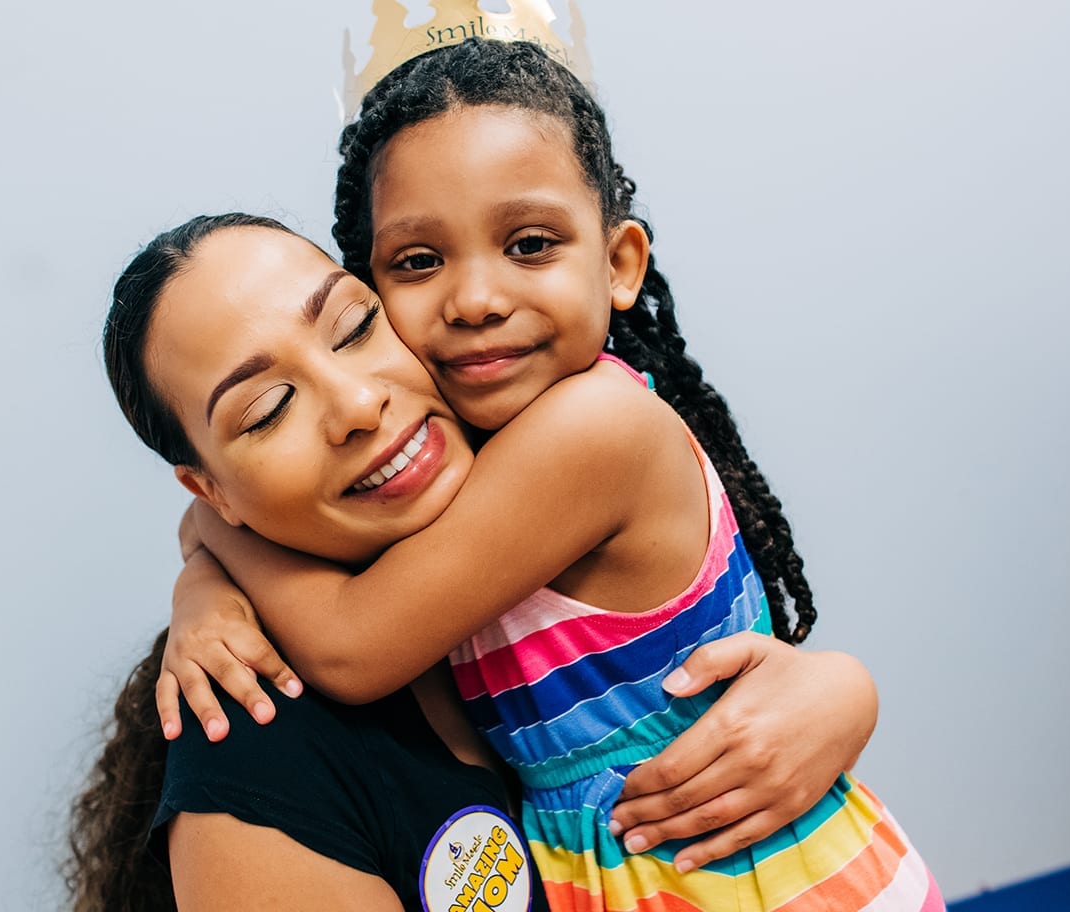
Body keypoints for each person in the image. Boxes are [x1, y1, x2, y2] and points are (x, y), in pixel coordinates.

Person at [165, 39, 943, 911]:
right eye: (418, 263)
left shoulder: (590, 429)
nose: (475, 299)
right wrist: (203, 582)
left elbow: (352, 647)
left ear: (617, 265)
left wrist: (213, 541)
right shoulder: (448, 458)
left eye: (529, 244)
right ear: (373, 291)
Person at [68, 213, 550, 912]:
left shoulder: (572, 476)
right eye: (266, 410)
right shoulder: (258, 751)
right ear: (210, 491)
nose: (358, 403)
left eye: (355, 328)